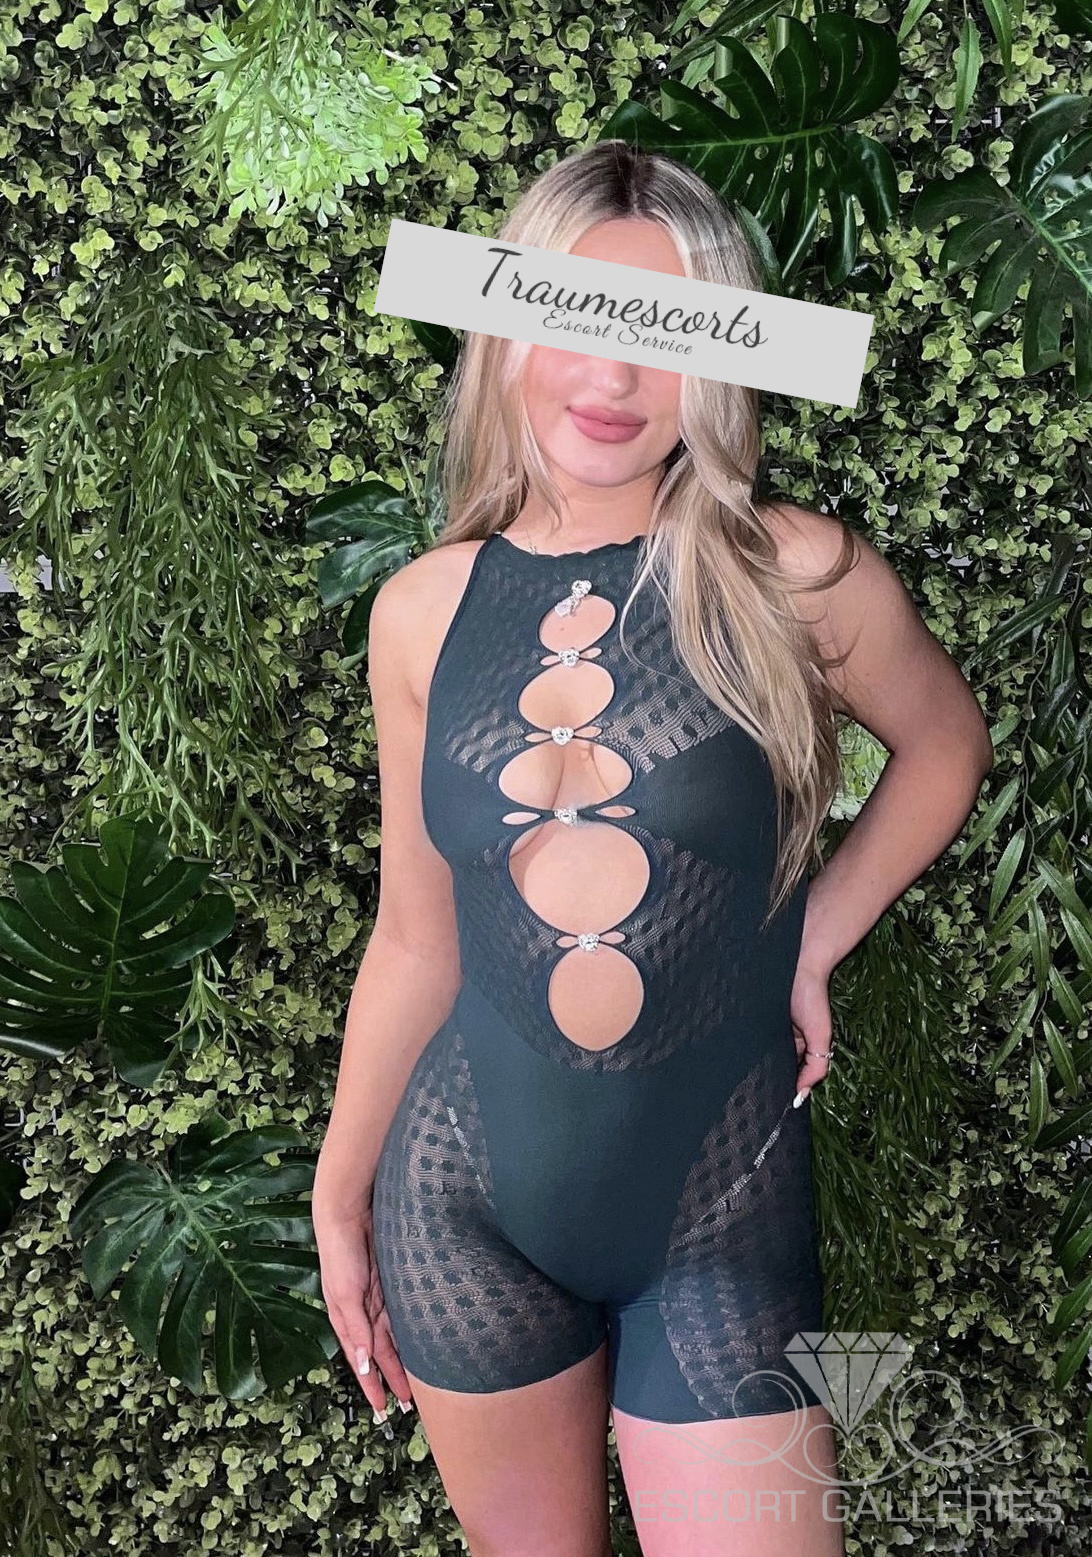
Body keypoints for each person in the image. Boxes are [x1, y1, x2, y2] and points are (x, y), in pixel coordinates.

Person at [312, 140, 994, 1557]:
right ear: (505, 334)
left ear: (723, 361)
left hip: (720, 1207)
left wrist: (815, 936)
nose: (613, 378)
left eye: (665, 335)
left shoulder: (795, 576)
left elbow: (944, 748)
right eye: (574, 319)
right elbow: (416, 936)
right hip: (461, 1205)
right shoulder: (421, 613)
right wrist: (338, 1188)